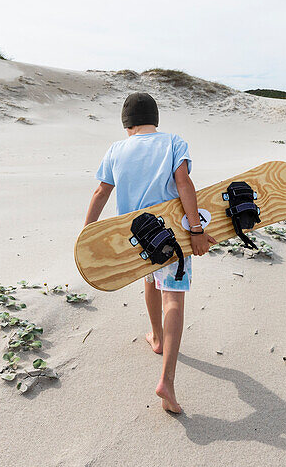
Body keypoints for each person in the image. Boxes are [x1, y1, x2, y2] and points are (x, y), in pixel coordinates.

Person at [84, 92, 216, 414]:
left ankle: (156, 338)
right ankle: (167, 382)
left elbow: (102, 191)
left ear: (126, 124)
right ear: (155, 118)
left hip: (136, 240)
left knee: (149, 283)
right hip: (169, 232)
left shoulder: (116, 149)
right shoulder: (172, 142)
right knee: (173, 296)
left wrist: (87, 234)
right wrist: (196, 230)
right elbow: (183, 182)